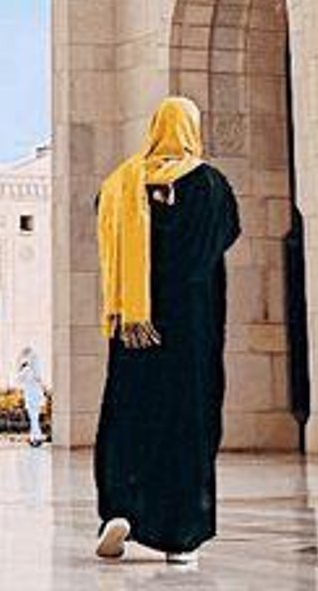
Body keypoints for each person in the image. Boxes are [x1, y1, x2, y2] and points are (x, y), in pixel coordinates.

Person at [93, 95, 240, 567]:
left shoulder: (121, 184)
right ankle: (180, 536)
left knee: (128, 416)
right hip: (189, 332)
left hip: (134, 332)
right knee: (187, 423)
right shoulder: (210, 185)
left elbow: (103, 226)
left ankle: (120, 509)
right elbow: (225, 235)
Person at [17, 345, 47, 445]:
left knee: (33, 418)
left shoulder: (26, 370)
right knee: (35, 418)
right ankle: (33, 437)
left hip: (31, 397)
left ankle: (36, 437)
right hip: (36, 397)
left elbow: (19, 379)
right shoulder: (35, 373)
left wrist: (20, 367)